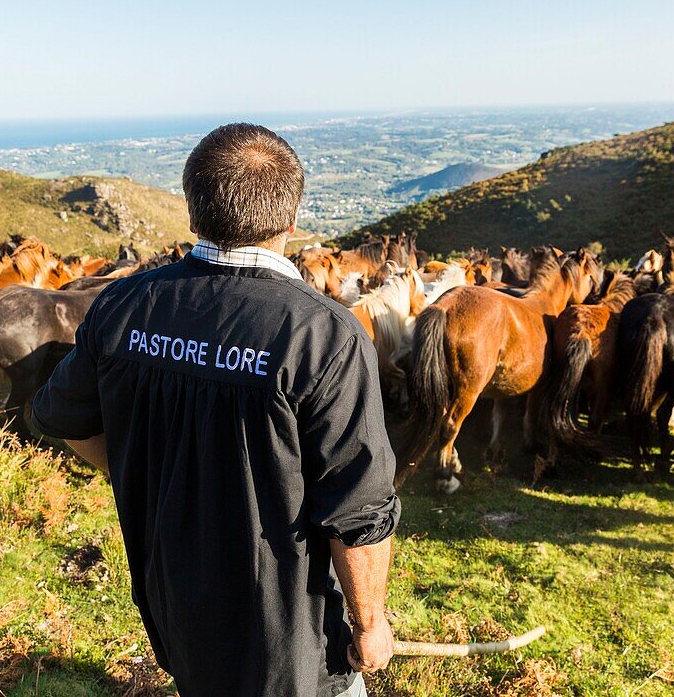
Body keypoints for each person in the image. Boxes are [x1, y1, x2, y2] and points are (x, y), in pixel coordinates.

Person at [32, 123, 401, 697]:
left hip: (174, 605)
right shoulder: (324, 336)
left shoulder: (124, 306)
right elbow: (360, 511)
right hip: (292, 641)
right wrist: (370, 623)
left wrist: (136, 469)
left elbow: (61, 417)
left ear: (192, 214)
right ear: (291, 220)